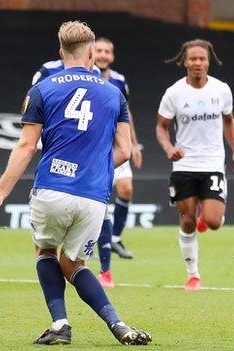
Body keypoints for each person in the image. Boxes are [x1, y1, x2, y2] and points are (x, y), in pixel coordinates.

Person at [0, 21, 151, 345]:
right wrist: (93, 167)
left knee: (46, 251)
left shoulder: (43, 89)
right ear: (90, 54)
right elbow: (125, 151)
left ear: (61, 52)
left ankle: (60, 324)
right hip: (93, 196)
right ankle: (118, 323)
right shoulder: (114, 94)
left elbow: (27, 146)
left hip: (53, 187)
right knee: (75, 263)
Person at [155, 39, 234, 291]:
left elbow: (229, 121)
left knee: (214, 222)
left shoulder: (221, 89)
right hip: (184, 165)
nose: (197, 63)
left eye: (201, 59)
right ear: (184, 62)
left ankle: (206, 215)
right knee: (187, 221)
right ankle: (193, 275)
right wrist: (169, 148)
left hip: (213, 163)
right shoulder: (174, 93)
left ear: (208, 61)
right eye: (193, 59)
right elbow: (161, 127)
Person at [95, 37, 143, 262]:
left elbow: (127, 112)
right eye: (99, 50)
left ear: (112, 56)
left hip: (117, 146)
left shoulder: (120, 81)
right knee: (96, 197)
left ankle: (114, 238)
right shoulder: (86, 77)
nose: (103, 55)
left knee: (126, 189)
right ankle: (92, 241)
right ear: (91, 53)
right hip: (94, 148)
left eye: (107, 51)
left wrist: (133, 143)